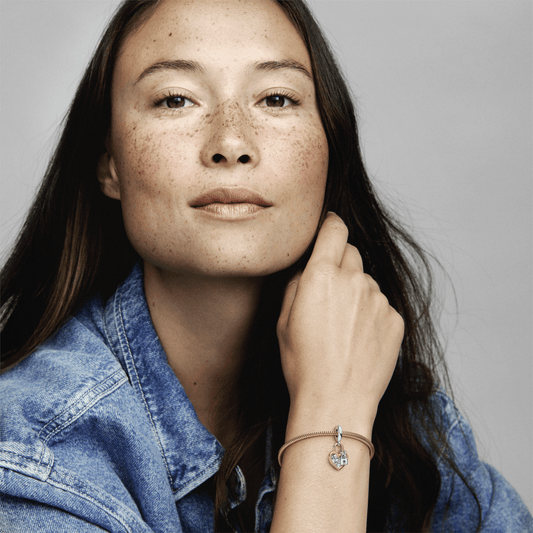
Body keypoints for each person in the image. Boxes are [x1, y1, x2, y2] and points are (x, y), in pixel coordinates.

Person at [0, 0, 531, 531]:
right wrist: (331, 420)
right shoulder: (32, 453)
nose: (231, 143)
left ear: (330, 147)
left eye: (276, 98)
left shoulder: (383, 398)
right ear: (109, 163)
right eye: (176, 99)